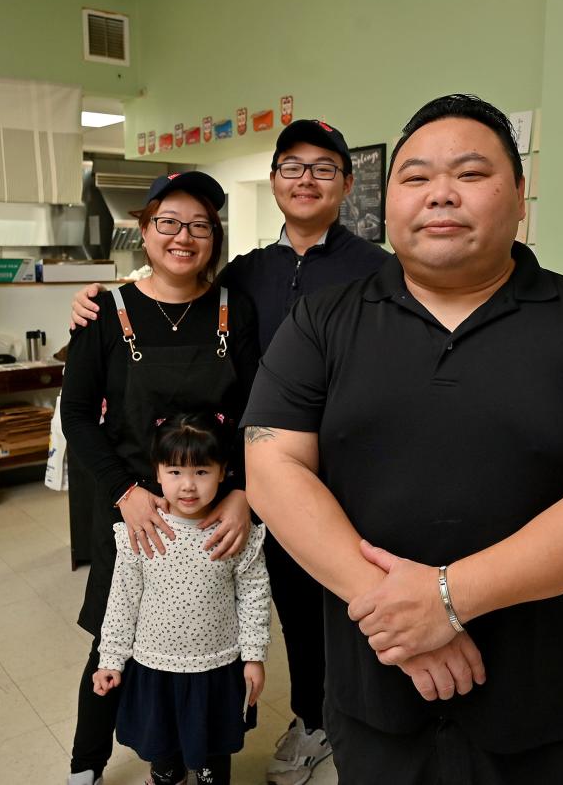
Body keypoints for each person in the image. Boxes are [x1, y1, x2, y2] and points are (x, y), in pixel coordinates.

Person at [241, 94, 563, 784]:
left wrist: (449, 598)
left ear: (518, 196)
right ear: (387, 205)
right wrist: (402, 619)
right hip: (374, 694)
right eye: (415, 177)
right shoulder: (320, 323)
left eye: (471, 174)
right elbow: (273, 468)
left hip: (540, 711)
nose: (440, 194)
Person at [71, 120, 389, 785]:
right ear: (274, 180)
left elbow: (257, 399)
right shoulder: (245, 276)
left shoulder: (375, 270)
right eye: (291, 166)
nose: (305, 180)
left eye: (323, 168)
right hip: (173, 492)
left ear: (348, 183)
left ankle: (321, 725)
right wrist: (95, 302)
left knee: (311, 608)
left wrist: (244, 488)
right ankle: (103, 757)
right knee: (131, 623)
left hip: (318, 475)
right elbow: (88, 406)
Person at [62, 171, 260, 785]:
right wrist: (127, 495)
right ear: (144, 231)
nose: (184, 237)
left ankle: (201, 756)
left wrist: (245, 494)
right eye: (168, 223)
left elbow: (261, 413)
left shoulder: (234, 308)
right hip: (132, 506)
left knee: (212, 631)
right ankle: (86, 763)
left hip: (214, 507)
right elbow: (77, 416)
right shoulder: (105, 310)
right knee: (112, 632)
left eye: (200, 225)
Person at [92, 412, 271, 785]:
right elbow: (122, 599)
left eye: (202, 472)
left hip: (217, 668)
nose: (188, 485)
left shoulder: (237, 532)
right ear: (157, 473)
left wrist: (254, 657)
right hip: (156, 667)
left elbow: (254, 596)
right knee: (165, 759)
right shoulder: (140, 532)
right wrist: (110, 659)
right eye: (175, 472)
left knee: (212, 760)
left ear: (223, 472)